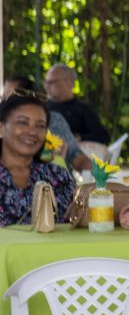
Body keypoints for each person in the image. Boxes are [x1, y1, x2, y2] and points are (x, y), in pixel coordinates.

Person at [0, 88, 76, 226]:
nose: (32, 132)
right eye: (23, 122)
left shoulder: (58, 176)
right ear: (1, 128)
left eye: (40, 126)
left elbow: (77, 221)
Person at [3, 76, 91, 173]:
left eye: (40, 126)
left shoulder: (54, 121)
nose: (32, 131)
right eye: (3, 97)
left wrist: (102, 177)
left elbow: (76, 156)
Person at [45, 63, 111, 144]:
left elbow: (103, 136)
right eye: (46, 82)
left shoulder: (83, 109)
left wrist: (77, 138)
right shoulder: (42, 108)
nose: (46, 86)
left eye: (52, 82)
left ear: (69, 83)